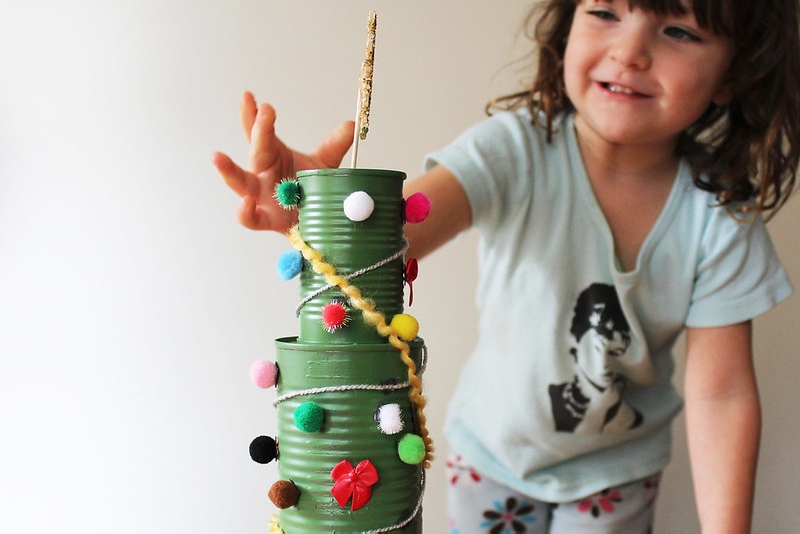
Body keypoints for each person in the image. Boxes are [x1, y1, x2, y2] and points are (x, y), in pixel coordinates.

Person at [212, 0, 800, 532]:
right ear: (567, 25)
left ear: (735, 72)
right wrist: (325, 210)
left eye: (677, 29)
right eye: (604, 14)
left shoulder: (721, 218)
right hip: (489, 460)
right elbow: (396, 242)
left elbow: (721, 395)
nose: (630, 52)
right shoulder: (514, 150)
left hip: (616, 476)